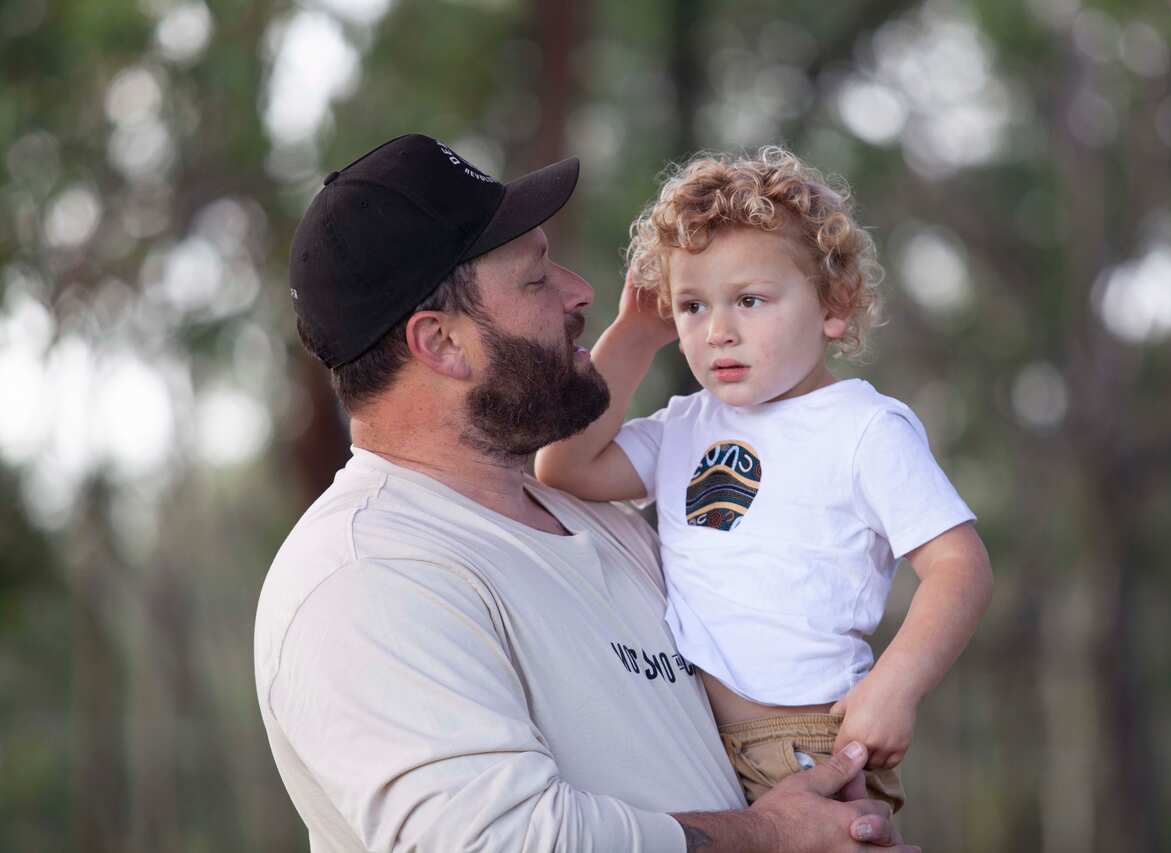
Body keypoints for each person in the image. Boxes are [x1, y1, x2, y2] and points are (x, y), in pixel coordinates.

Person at [254, 132, 917, 852]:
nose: (581, 291)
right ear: (440, 343)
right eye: (537, 280)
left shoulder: (603, 518)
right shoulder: (364, 576)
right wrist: (770, 836)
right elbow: (496, 843)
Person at [535, 147, 994, 809]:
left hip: (805, 742)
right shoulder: (686, 424)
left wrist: (895, 686)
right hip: (686, 734)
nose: (718, 330)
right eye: (691, 306)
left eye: (749, 300)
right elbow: (564, 464)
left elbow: (960, 564)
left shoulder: (863, 427)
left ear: (832, 306)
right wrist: (635, 332)